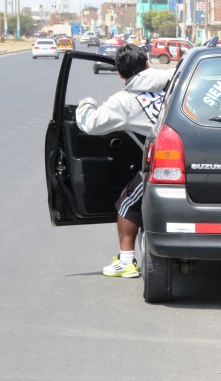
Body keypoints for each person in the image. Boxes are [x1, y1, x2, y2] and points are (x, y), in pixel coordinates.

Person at [75, 44, 175, 278]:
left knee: (127, 203)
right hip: (199, 155)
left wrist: (86, 103)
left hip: (165, 163)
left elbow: (92, 124)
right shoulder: (175, 80)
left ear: (120, 74)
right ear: (148, 63)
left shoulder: (123, 101)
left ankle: (127, 262)